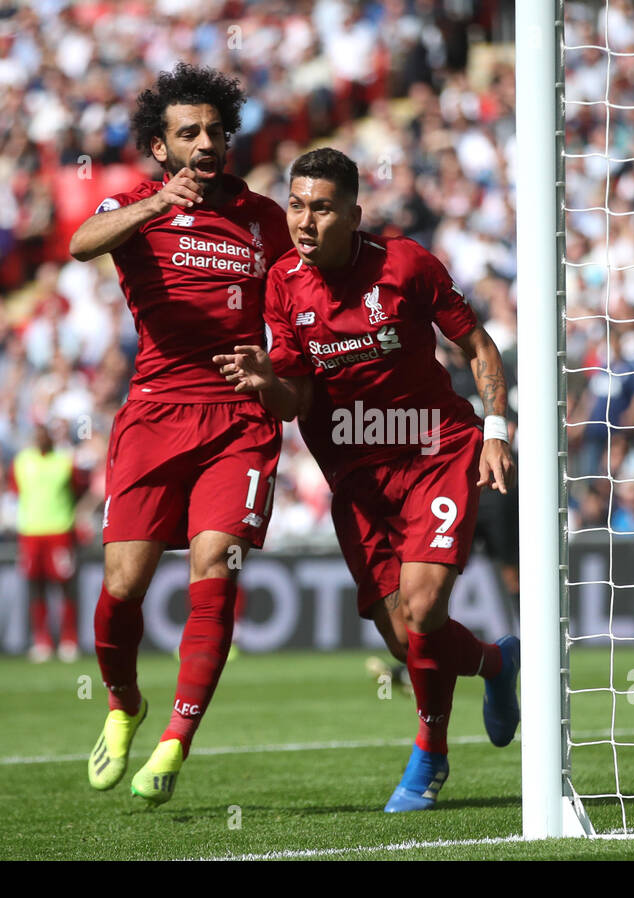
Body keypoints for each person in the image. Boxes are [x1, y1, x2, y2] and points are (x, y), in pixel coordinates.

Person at [213, 147, 521, 812]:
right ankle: (497, 664)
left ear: (353, 214)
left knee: (424, 604)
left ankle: (429, 756)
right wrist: (270, 384)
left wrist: (496, 429)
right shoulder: (282, 283)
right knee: (408, 640)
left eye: (321, 207)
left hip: (435, 452)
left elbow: (476, 345)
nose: (303, 220)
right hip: (355, 479)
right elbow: (295, 400)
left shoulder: (405, 264)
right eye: (296, 205)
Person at [68, 64, 291, 806]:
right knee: (122, 587)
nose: (205, 142)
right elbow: (80, 242)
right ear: (159, 148)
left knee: (213, 572)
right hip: (155, 414)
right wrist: (158, 204)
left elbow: (296, 300)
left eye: (214, 131)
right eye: (187, 132)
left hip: (239, 418)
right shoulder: (137, 203)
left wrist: (274, 366)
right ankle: (125, 703)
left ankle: (175, 741)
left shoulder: (264, 218)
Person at [10, 420, 87, 663]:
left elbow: (77, 490)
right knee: (36, 586)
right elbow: (15, 491)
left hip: (59, 531)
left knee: (64, 585)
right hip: (31, 532)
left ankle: (69, 641)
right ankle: (42, 641)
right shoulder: (22, 462)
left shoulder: (65, 461)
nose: (41, 439)